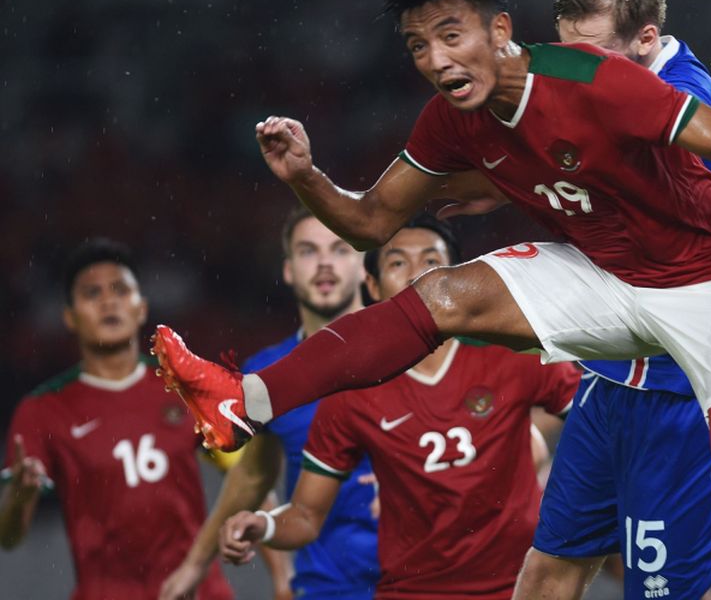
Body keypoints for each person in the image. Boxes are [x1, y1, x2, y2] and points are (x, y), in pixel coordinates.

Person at [152, 0, 711, 600]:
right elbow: (370, 224)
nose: (436, 60)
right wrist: (306, 176)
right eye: (419, 47)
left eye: (451, 36)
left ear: (502, 31)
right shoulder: (451, 122)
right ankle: (243, 401)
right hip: (610, 276)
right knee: (443, 293)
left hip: (707, 281)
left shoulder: (597, 79)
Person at [508, 0, 711, 600]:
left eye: (591, 58)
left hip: (681, 392)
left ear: (646, 39)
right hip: (610, 381)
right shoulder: (606, 85)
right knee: (547, 571)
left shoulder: (685, 103)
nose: (572, 73)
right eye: (564, 52)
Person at [217, 216, 580, 598]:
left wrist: (567, 480)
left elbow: (598, 417)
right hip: (410, 591)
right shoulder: (349, 392)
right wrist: (263, 524)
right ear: (371, 285)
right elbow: (306, 516)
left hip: (514, 590)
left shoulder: (511, 355)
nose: (416, 277)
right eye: (397, 263)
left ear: (458, 277)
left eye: (430, 262)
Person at [160, 208, 378, 600]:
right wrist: (196, 563)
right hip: (328, 586)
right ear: (289, 270)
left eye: (340, 250)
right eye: (309, 251)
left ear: (365, 267)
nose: (325, 262)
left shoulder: (409, 351)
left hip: (423, 578)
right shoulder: (264, 373)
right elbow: (253, 475)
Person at [0, 239, 234, 600]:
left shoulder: (186, 386)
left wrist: (282, 577)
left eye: (120, 290)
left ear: (141, 308)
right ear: (69, 316)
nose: (109, 301)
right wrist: (19, 497)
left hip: (198, 591)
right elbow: (10, 537)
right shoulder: (43, 410)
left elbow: (245, 475)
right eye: (92, 293)